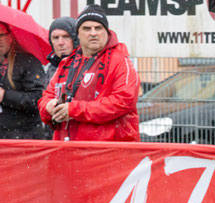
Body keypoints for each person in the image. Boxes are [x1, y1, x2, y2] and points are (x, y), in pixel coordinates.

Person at [38, 4, 140, 141]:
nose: (93, 33)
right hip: (67, 150)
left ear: (107, 32)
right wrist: (49, 106)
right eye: (86, 28)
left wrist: (73, 110)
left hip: (107, 151)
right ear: (78, 34)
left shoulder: (120, 60)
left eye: (98, 28)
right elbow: (47, 97)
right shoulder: (67, 63)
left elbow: (123, 101)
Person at [0, 22, 47, 139]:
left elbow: (38, 100)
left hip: (25, 137)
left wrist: (5, 96)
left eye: (1, 35)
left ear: (10, 36)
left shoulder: (28, 61)